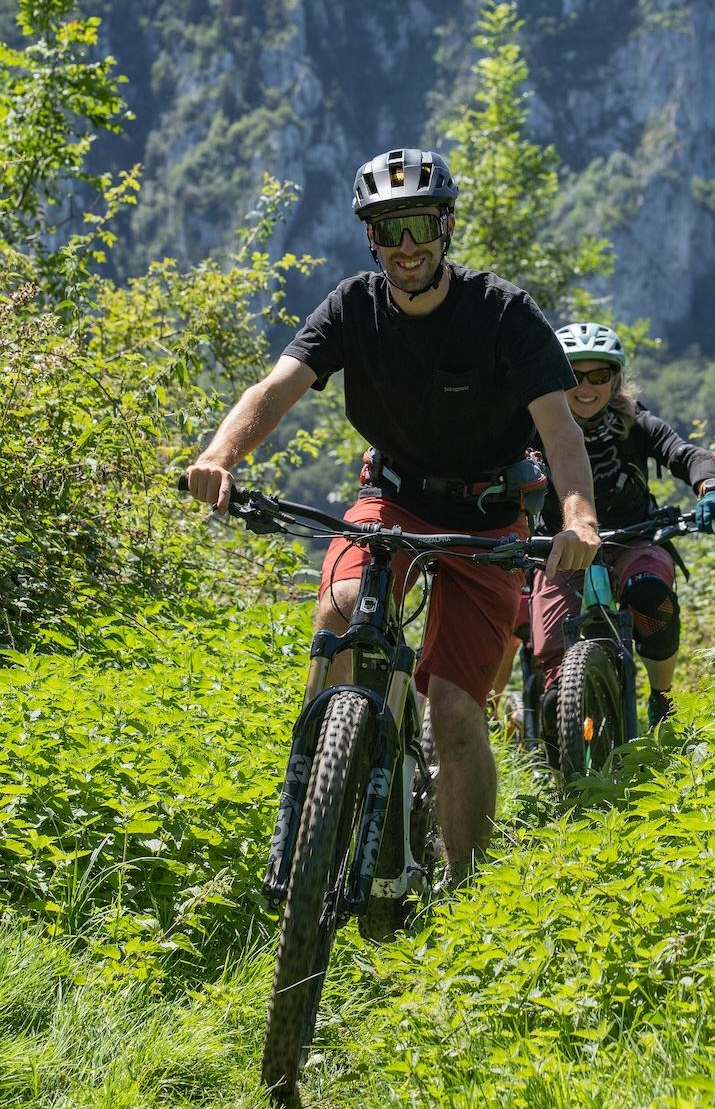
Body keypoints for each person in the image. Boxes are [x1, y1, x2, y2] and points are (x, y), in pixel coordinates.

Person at [185, 147, 600, 878]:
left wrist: (578, 516)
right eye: (387, 229)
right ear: (371, 238)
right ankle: (325, 778)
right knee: (341, 612)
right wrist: (220, 458)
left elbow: (560, 430)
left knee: (456, 710)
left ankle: (464, 886)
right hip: (392, 499)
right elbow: (273, 390)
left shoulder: (503, 313)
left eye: (417, 225)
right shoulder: (353, 306)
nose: (405, 246)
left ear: (445, 227)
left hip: (486, 515)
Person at [529, 322, 715, 733]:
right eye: (573, 375)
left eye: (599, 375)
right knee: (552, 693)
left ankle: (662, 697)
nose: (585, 387)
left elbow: (685, 454)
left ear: (616, 378)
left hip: (635, 538)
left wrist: (709, 485)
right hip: (560, 550)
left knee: (651, 597)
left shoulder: (636, 424)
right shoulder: (535, 429)